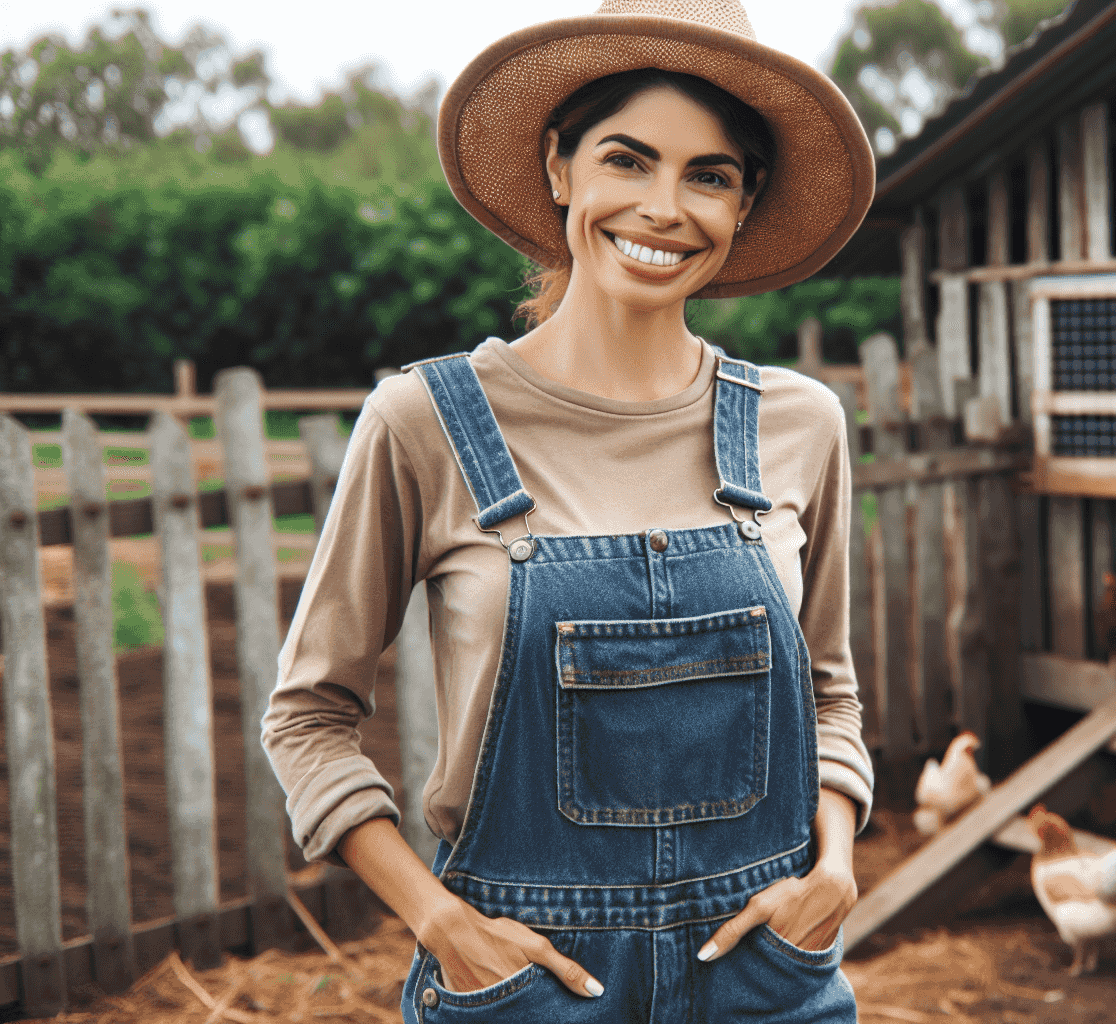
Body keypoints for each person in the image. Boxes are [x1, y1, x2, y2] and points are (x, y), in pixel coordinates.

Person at [261, 2, 877, 1020]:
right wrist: (441, 923)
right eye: (627, 160)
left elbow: (830, 692)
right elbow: (307, 716)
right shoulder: (425, 422)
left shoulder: (801, 425)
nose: (664, 208)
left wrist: (835, 869)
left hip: (764, 976)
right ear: (560, 167)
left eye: (709, 175)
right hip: (527, 985)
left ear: (744, 202)